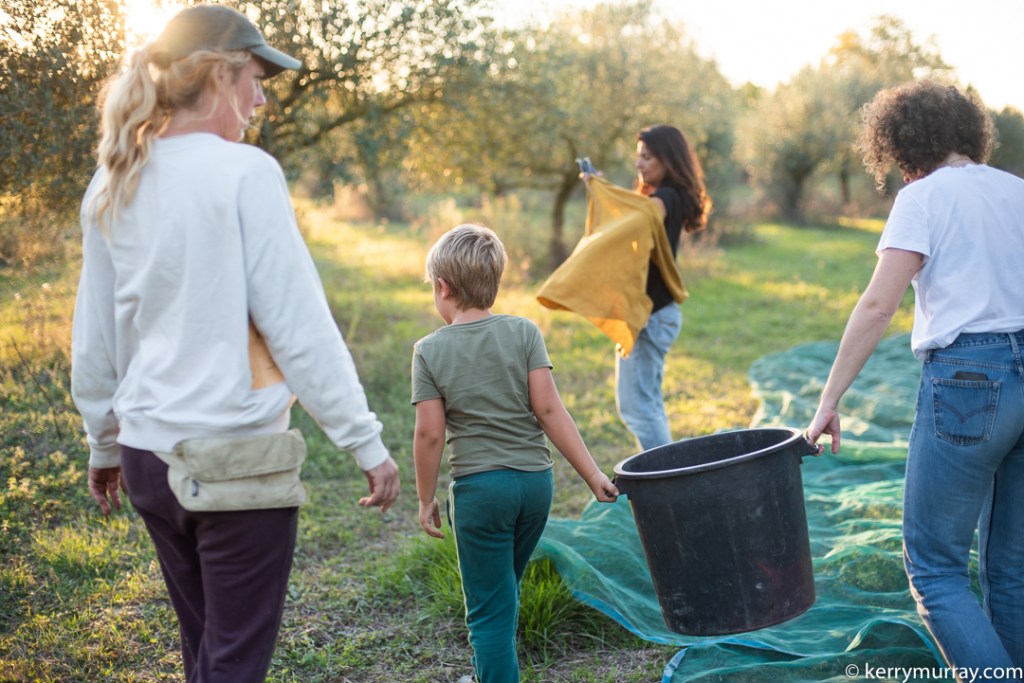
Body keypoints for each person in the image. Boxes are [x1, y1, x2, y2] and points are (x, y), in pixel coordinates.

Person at [71, 5, 399, 681]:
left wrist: (105, 440)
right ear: (219, 75)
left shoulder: (113, 180)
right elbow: (299, 327)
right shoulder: (245, 173)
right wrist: (364, 440)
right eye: (254, 76)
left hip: (148, 459)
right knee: (234, 663)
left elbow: (96, 333)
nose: (260, 95)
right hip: (234, 463)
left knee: (207, 649)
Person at [805, 81, 1024, 679]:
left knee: (935, 569)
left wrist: (829, 399)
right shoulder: (1017, 190)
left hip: (968, 382)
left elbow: (879, 306)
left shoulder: (922, 197)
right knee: (1012, 570)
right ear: (968, 131)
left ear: (900, 145)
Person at [411, 224, 619, 683]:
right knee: (503, 592)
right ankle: (489, 671)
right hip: (533, 487)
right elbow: (549, 410)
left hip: (480, 492)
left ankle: (493, 672)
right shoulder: (524, 332)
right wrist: (592, 476)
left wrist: (426, 499)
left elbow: (429, 435)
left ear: (443, 287)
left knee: (487, 613)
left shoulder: (428, 350)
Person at [584, 124, 711, 451]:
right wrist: (601, 189)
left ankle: (665, 482)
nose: (639, 165)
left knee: (638, 409)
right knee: (647, 407)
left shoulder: (663, 198)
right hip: (657, 316)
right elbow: (633, 214)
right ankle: (663, 479)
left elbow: (631, 220)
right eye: (638, 157)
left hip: (650, 319)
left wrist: (601, 193)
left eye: (647, 157)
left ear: (668, 160)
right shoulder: (668, 196)